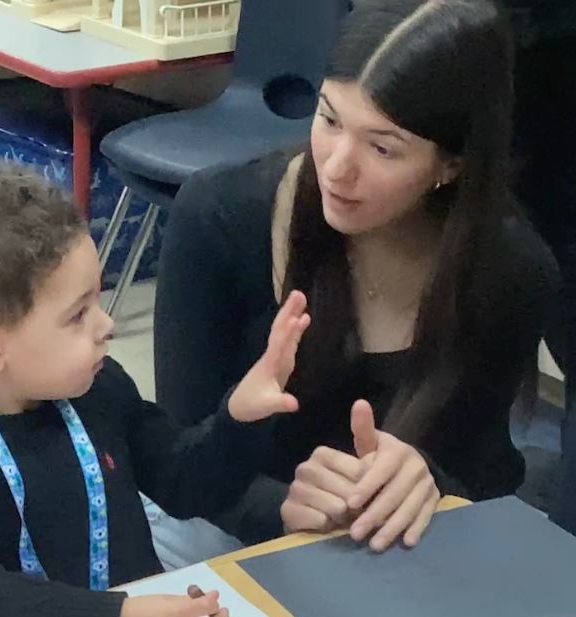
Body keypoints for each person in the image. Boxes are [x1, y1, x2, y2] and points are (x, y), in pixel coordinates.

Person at [151, 0, 559, 564]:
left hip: (397, 542)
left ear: (451, 166)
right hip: (224, 522)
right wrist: (285, 509)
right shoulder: (221, 217)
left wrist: (428, 479)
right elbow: (176, 458)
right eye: (329, 118)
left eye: (382, 147)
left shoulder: (511, 269)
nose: (338, 166)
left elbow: (484, 468)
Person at [0, 168, 310, 617]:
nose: (106, 325)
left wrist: (239, 418)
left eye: (97, 300)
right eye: (77, 314)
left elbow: (185, 484)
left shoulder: (99, 389)